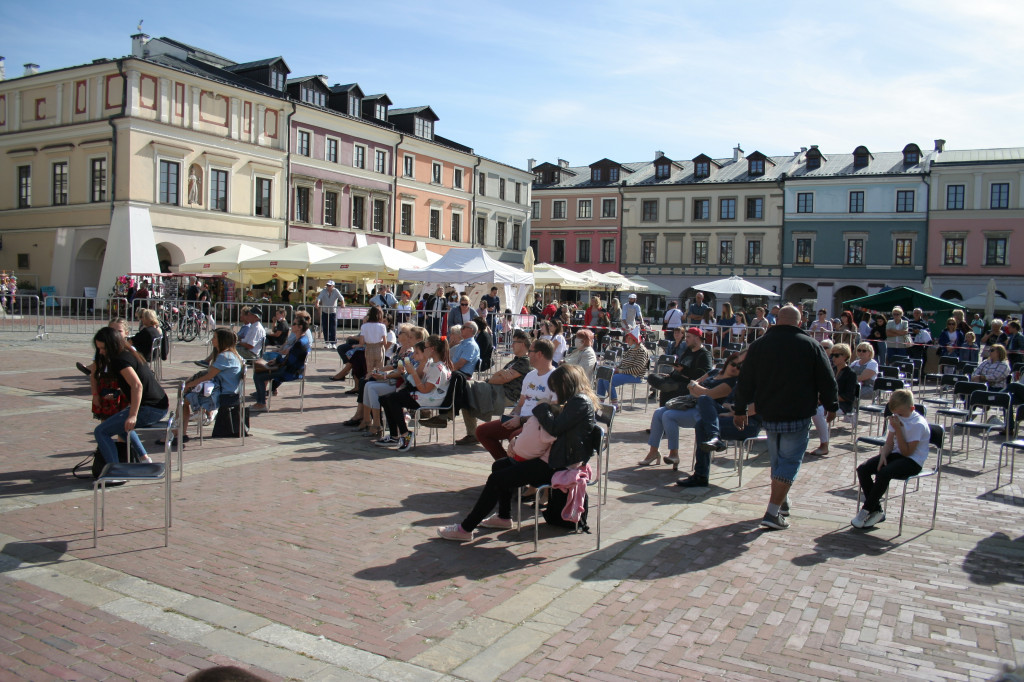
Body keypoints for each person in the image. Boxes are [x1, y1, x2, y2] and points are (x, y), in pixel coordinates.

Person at [436, 364, 597, 542]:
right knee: (500, 465)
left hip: (559, 465)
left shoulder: (580, 402)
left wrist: (542, 407)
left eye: (557, 388)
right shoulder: (577, 400)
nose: (556, 393)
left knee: (498, 479)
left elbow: (555, 429)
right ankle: (504, 518)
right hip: (555, 459)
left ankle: (465, 529)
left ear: (566, 384)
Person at [733, 304, 838, 530]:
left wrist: (740, 409)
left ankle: (782, 502)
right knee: (789, 462)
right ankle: (772, 512)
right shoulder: (811, 345)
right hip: (797, 412)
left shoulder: (759, 345)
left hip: (769, 412)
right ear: (800, 323)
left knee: (779, 461)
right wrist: (832, 405)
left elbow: (745, 380)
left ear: (776, 321)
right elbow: (827, 379)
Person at [640, 352, 744, 476]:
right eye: (733, 364)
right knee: (658, 412)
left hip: (703, 413)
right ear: (728, 362)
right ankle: (653, 452)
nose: (735, 368)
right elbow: (692, 384)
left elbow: (708, 395)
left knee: (668, 416)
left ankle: (674, 454)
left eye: (739, 367)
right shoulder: (714, 372)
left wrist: (697, 389)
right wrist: (697, 389)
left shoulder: (730, 383)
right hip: (690, 404)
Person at [91, 326, 169, 467]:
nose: (101, 352)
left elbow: (137, 385)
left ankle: (115, 469)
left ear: (112, 345)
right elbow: (138, 383)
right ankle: (144, 458)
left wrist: (133, 415)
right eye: (99, 349)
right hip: (158, 404)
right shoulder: (129, 352)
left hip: (151, 408)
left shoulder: (118, 360)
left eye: (103, 348)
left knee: (101, 431)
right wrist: (118, 393)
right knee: (120, 425)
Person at [852, 388, 930, 529]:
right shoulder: (896, 418)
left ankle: (866, 510)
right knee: (863, 469)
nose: (897, 416)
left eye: (900, 413)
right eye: (895, 413)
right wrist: (883, 456)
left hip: (912, 460)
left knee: (884, 473)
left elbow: (907, 452)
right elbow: (889, 442)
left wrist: (899, 429)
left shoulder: (917, 424)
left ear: (911, 408)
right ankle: (877, 511)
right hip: (897, 454)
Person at [476, 338, 557, 460]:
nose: (528, 354)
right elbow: (521, 404)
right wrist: (514, 414)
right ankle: (505, 463)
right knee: (482, 431)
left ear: (539, 354)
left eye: (530, 351)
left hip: (536, 425)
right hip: (520, 420)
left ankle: (512, 467)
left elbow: (553, 413)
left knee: (514, 437)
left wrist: (520, 420)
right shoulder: (530, 375)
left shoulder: (555, 379)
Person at [449, 330, 532, 445]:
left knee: (466, 387)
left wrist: (495, 377)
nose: (511, 345)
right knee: (465, 393)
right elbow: (499, 375)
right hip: (496, 390)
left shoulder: (525, 362)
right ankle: (470, 432)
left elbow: (503, 378)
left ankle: (448, 414)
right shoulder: (515, 361)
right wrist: (497, 376)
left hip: (505, 395)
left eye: (514, 342)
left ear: (522, 344)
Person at [344, 324, 426, 438]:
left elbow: (409, 375)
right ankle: (372, 422)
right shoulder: (410, 354)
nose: (406, 338)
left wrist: (385, 376)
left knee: (373, 388)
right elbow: (399, 369)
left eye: (410, 336)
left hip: (402, 385)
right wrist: (380, 372)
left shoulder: (415, 355)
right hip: (400, 383)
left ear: (418, 340)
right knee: (368, 385)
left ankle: (390, 429)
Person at [376, 335, 452, 451]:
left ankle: (404, 433)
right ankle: (394, 435)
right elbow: (419, 377)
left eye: (425, 347)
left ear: (431, 349)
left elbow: (425, 389)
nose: (424, 348)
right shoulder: (432, 363)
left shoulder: (438, 367)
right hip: (425, 394)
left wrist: (413, 373)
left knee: (393, 399)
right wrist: (414, 370)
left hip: (430, 398)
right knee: (384, 399)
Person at [178, 328, 243, 433]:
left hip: (224, 395)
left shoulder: (224, 356)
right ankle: (201, 415)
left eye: (214, 337)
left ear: (222, 341)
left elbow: (208, 376)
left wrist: (189, 385)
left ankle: (180, 433)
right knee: (193, 389)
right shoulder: (233, 354)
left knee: (184, 400)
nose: (212, 340)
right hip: (230, 391)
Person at [807, 343, 858, 456]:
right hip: (829, 402)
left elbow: (849, 396)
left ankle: (824, 445)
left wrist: (827, 400)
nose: (833, 358)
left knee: (818, 413)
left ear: (845, 356)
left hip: (843, 405)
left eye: (836, 355)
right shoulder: (832, 370)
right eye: (832, 355)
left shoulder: (851, 374)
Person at [251, 318, 310, 411]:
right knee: (262, 372)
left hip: (291, 372)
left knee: (258, 376)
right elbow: (289, 358)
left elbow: (290, 361)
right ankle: (262, 400)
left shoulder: (300, 342)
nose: (292, 326)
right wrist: (276, 361)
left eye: (294, 324)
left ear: (300, 327)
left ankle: (261, 404)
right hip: (293, 369)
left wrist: (277, 361)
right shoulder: (302, 339)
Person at [647, 327, 713, 405]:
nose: (686, 339)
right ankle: (668, 386)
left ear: (697, 338)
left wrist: (683, 371)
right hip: (675, 379)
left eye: (688, 337)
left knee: (667, 388)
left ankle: (670, 386)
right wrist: (670, 375)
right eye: (686, 337)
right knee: (652, 377)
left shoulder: (705, 355)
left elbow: (703, 376)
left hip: (687, 385)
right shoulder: (688, 350)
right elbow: (680, 366)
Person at [596, 327, 649, 404]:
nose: (627, 341)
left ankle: (614, 403)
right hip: (624, 373)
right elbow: (622, 363)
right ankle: (600, 402)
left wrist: (620, 371)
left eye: (629, 339)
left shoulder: (642, 351)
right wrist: (615, 369)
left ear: (635, 340)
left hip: (635, 375)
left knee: (608, 380)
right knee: (602, 377)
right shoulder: (631, 350)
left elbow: (638, 369)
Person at [359, 306, 389, 375]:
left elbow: (361, 342)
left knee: (370, 370)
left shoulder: (364, 326)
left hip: (369, 348)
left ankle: (368, 382)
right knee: (380, 370)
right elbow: (385, 342)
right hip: (379, 348)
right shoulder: (382, 326)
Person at [315, 280, 345, 348]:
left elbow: (341, 297)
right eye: (327, 285)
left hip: (333, 312)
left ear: (333, 286)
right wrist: (317, 302)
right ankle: (327, 342)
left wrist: (343, 303)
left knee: (333, 327)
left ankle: (333, 343)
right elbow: (319, 297)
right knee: (325, 327)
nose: (328, 287)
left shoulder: (336, 291)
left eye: (330, 285)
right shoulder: (324, 291)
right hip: (325, 312)